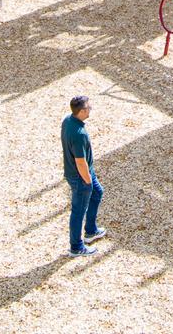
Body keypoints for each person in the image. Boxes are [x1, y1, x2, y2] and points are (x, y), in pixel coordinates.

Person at [61, 95, 105, 256]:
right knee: (78, 211)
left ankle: (91, 230)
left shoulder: (68, 120)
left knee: (98, 192)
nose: (90, 109)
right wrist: (87, 181)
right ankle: (76, 247)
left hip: (84, 172)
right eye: (88, 107)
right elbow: (80, 162)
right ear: (81, 111)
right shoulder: (79, 134)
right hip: (81, 176)